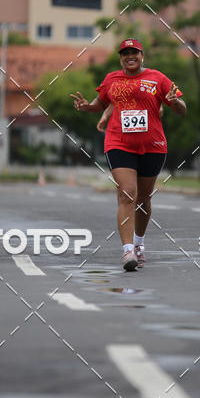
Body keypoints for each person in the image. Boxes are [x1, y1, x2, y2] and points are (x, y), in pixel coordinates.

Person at [71, 39, 186, 271]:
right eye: (125, 53)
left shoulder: (157, 78)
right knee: (127, 193)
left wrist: (175, 102)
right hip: (119, 143)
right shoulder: (111, 79)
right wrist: (87, 107)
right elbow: (100, 103)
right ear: (120, 58)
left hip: (153, 146)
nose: (130, 56)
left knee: (143, 199)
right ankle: (127, 251)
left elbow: (182, 110)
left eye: (134, 52)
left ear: (142, 55)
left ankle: (139, 244)